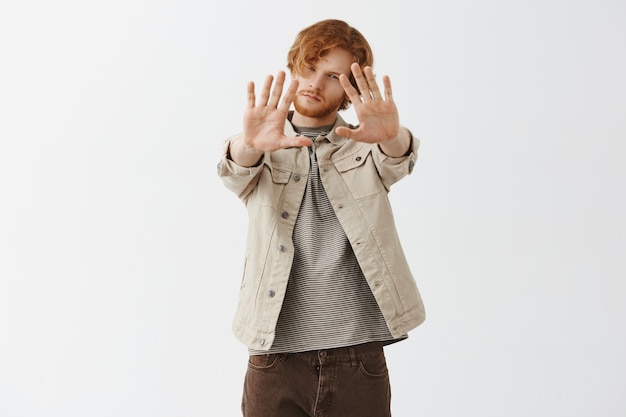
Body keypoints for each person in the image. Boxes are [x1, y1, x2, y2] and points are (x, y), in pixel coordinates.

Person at [217, 19, 426, 417]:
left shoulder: (363, 146)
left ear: (350, 90)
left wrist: (390, 135)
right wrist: (249, 144)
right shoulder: (261, 146)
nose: (315, 83)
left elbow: (399, 158)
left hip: (358, 353)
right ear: (293, 68)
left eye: (332, 76)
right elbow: (235, 169)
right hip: (275, 356)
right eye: (309, 68)